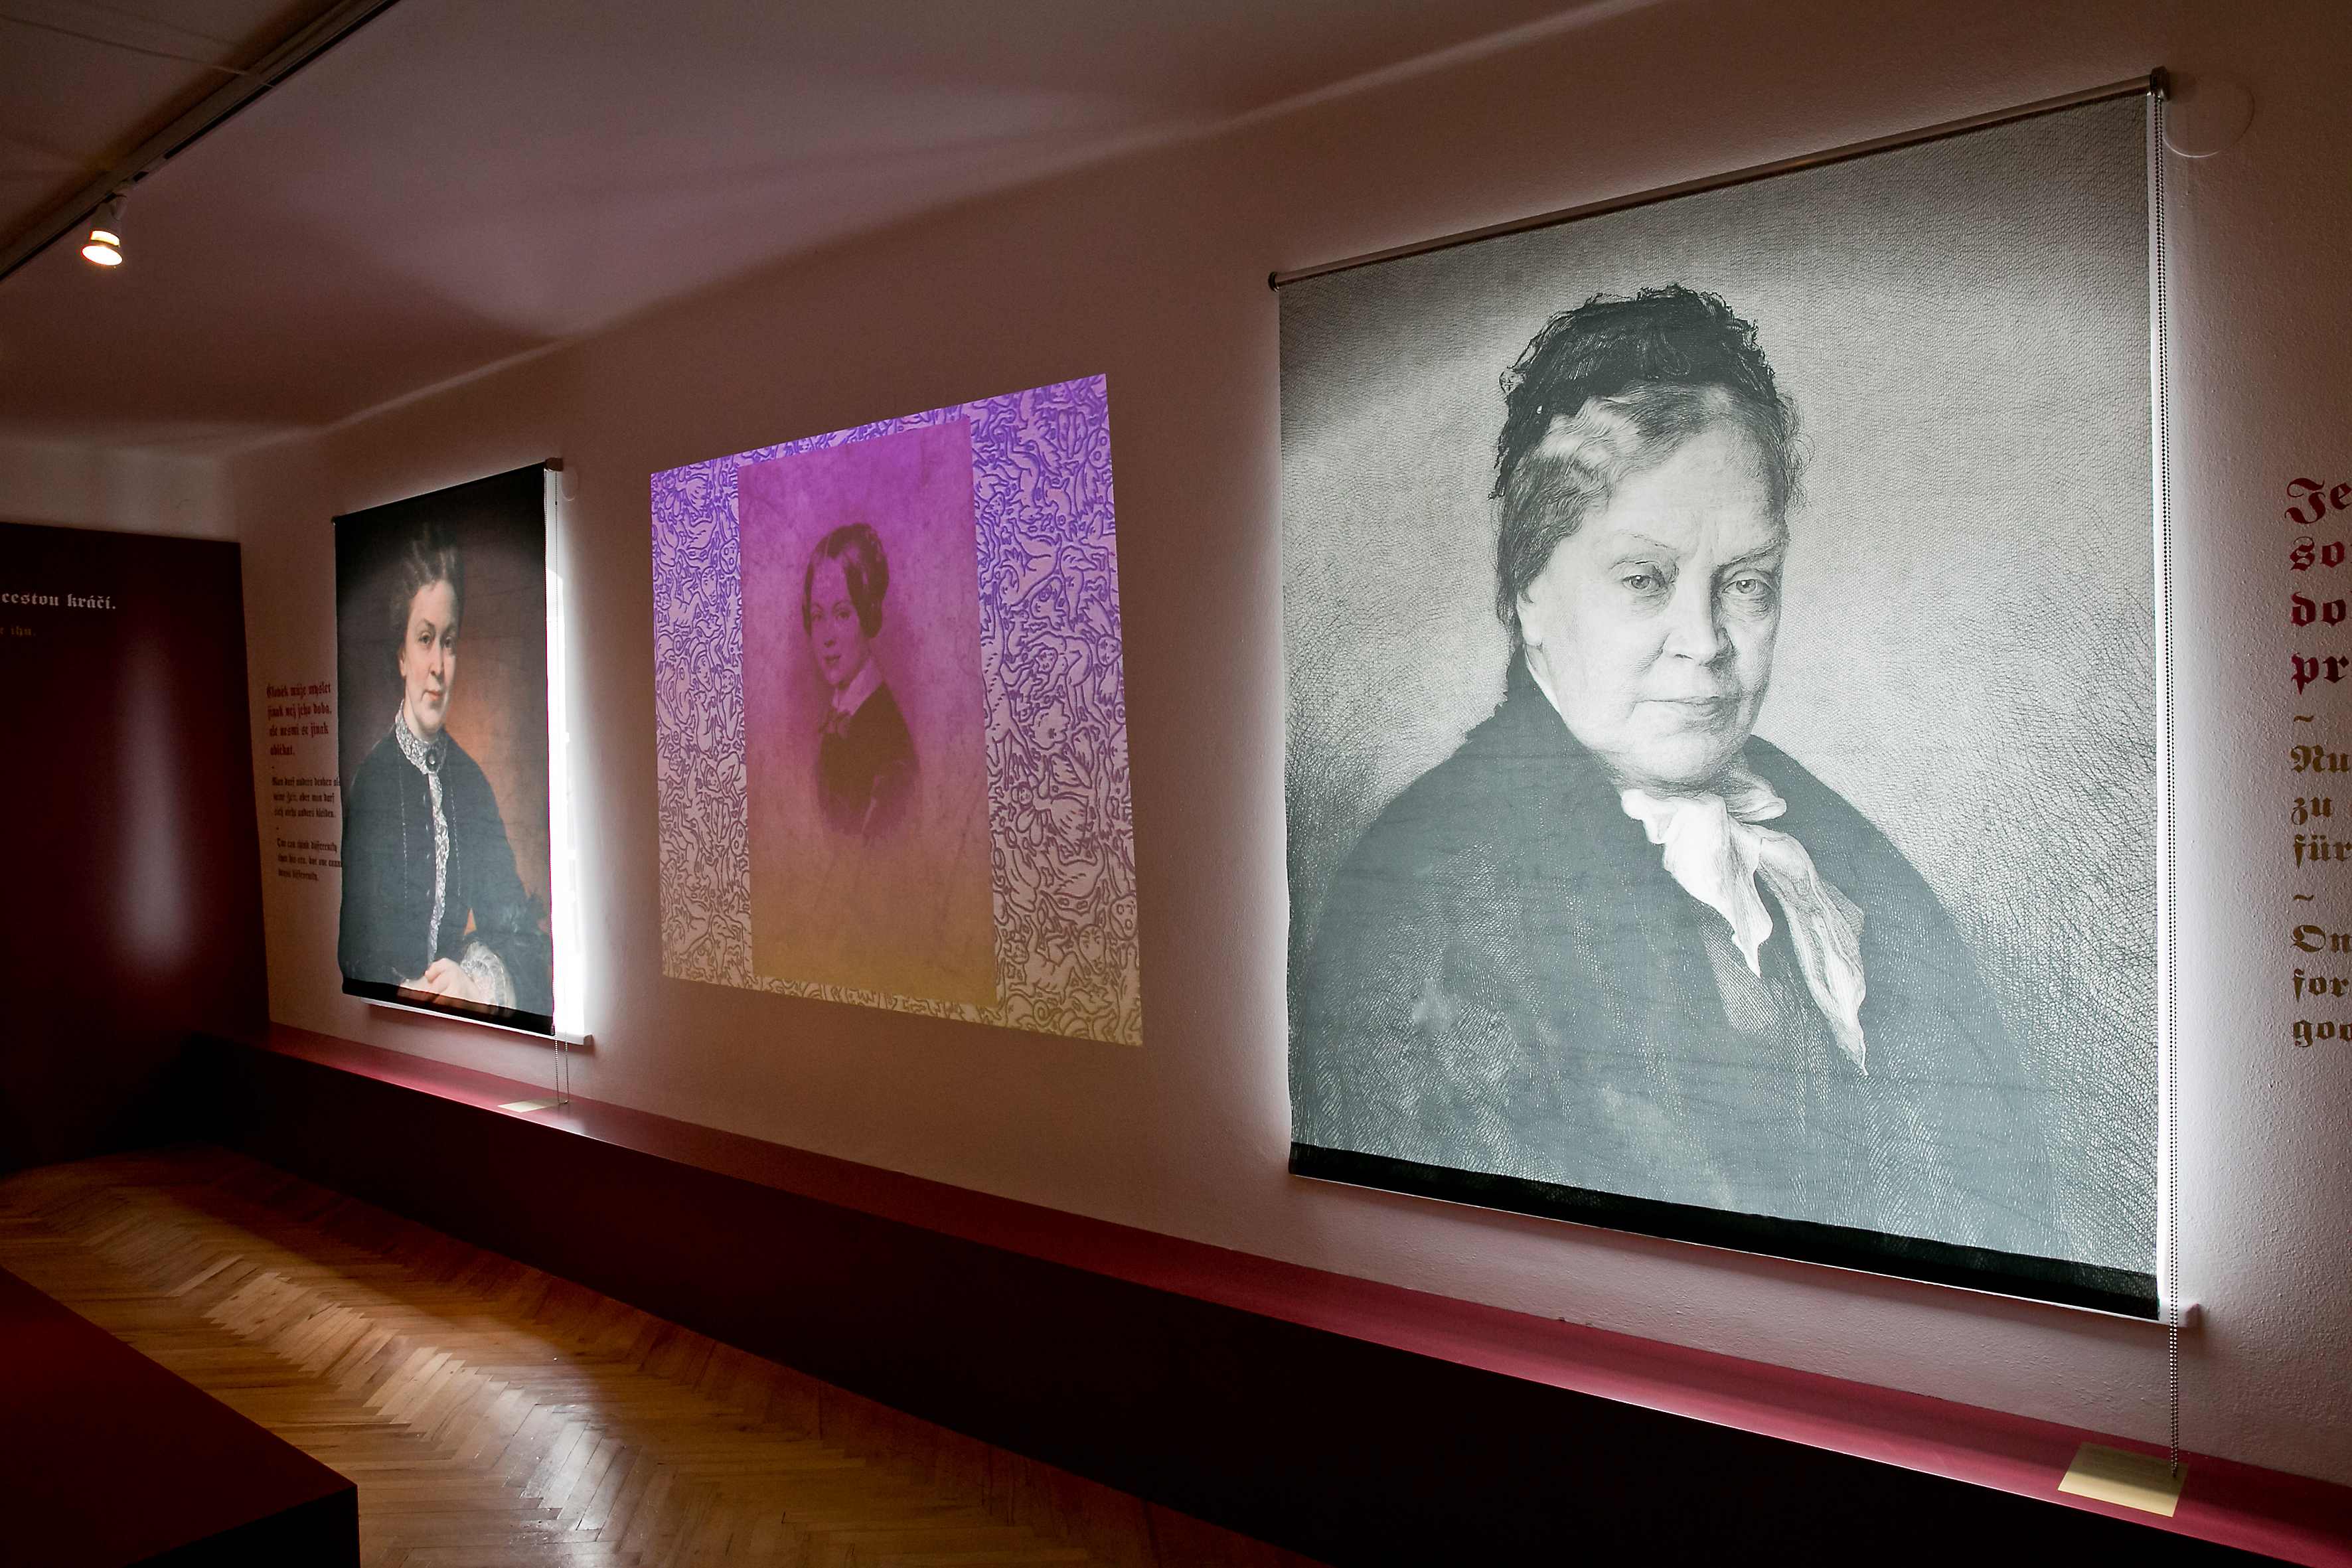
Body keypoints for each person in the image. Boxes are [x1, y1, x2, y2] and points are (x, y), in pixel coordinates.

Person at [1291, 285, 2055, 1257]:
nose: (1705, 640)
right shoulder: (1423, 898)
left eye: (1746, 583)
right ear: (1529, 592)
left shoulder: (1837, 858)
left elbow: (1987, 1211)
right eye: (1644, 579)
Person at [339, 533, 552, 1019]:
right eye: (425, 639)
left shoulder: (471, 785)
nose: (437, 666)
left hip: (457, 1030)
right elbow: (354, 949)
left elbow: (518, 930)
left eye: (449, 642)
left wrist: (472, 982)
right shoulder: (371, 783)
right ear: (401, 656)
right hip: (381, 1029)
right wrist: (402, 989)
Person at [803, 521, 916, 838]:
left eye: (842, 614)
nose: (827, 637)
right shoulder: (840, 718)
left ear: (867, 614)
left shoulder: (890, 750)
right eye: (817, 616)